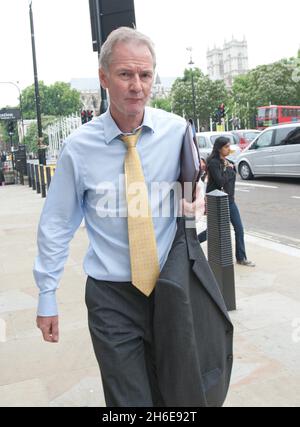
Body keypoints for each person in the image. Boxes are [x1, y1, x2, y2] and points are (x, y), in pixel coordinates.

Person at [33, 27, 204, 407]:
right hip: (111, 298)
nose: (137, 86)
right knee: (130, 403)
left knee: (177, 397)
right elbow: (57, 223)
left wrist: (194, 206)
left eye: (145, 75)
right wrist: (47, 294)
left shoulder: (177, 132)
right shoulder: (79, 148)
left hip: (170, 291)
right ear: (103, 77)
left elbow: (193, 196)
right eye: (126, 74)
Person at [198, 137, 255, 267]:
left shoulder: (227, 161)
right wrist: (229, 170)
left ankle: (241, 257)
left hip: (229, 200)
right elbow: (220, 181)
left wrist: (230, 168)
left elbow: (230, 178)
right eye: (226, 147)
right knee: (212, 232)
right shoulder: (213, 162)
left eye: (229, 146)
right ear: (219, 148)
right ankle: (191, 245)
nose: (229, 149)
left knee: (239, 228)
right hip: (217, 201)